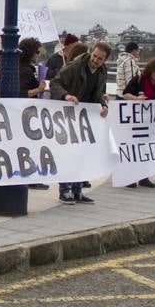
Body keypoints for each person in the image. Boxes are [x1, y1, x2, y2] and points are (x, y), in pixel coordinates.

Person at [51, 41, 112, 204]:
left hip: (86, 118)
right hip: (69, 114)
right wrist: (66, 96)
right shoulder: (75, 66)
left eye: (100, 59)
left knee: (84, 154)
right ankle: (64, 191)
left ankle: (77, 191)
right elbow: (55, 83)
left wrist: (103, 105)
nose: (95, 61)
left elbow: (97, 93)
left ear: (104, 61)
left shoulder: (102, 72)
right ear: (91, 53)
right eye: (94, 56)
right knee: (68, 153)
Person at [121, 56, 155, 188]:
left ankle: (144, 176)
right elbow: (125, 94)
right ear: (151, 70)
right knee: (135, 148)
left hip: (153, 123)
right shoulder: (139, 80)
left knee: (147, 149)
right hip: (137, 121)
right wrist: (137, 98)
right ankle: (131, 176)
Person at [18, 37, 50, 190]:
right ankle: (30, 176)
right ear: (30, 53)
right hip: (26, 114)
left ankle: (29, 175)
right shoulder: (25, 70)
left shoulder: (23, 67)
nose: (38, 55)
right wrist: (38, 90)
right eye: (36, 52)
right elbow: (21, 93)